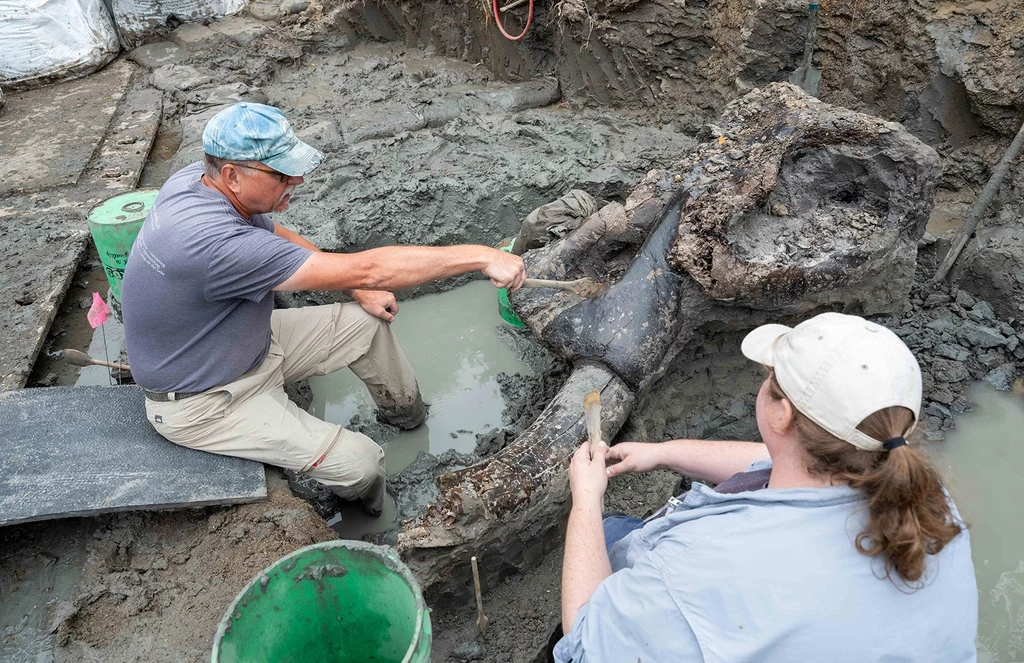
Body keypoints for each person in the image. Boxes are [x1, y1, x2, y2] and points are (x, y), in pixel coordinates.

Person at [121, 102, 525, 516]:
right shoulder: (216, 246)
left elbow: (279, 233)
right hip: (205, 400)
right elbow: (371, 268)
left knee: (365, 325)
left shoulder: (195, 180)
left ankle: (406, 417)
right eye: (280, 174)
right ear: (232, 175)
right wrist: (479, 255)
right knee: (361, 463)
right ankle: (373, 512)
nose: (295, 180)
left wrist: (356, 290)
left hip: (242, 342)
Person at [556, 312, 978, 662]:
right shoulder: (924, 497)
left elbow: (584, 642)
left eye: (769, 379)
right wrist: (664, 452)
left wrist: (586, 500)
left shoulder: (692, 568)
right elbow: (782, 459)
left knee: (607, 532)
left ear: (781, 414)